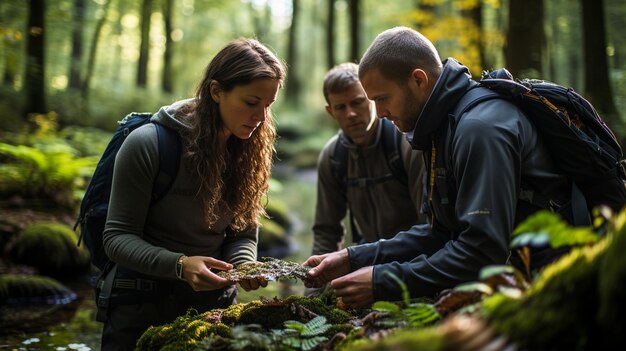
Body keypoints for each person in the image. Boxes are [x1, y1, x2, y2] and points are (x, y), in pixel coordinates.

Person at [304, 26, 576, 309]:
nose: (381, 113)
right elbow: (440, 233)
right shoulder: (440, 128)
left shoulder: (479, 130)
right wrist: (354, 257)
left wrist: (380, 281)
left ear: (418, 80)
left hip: (555, 290)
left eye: (382, 99)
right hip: (516, 285)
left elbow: (482, 252)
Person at [101, 38, 286, 349]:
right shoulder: (148, 144)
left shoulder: (252, 149)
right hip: (139, 304)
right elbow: (116, 238)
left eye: (269, 105)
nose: (262, 117)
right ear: (216, 91)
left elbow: (242, 233)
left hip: (212, 309)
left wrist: (243, 266)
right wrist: (180, 265)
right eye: (252, 103)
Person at [307, 63, 427, 295]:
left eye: (357, 102)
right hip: (365, 264)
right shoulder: (333, 158)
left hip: (414, 265)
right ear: (330, 111)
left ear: (372, 98)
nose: (350, 113)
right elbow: (326, 233)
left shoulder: (406, 144)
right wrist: (313, 296)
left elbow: (429, 226)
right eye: (340, 107)